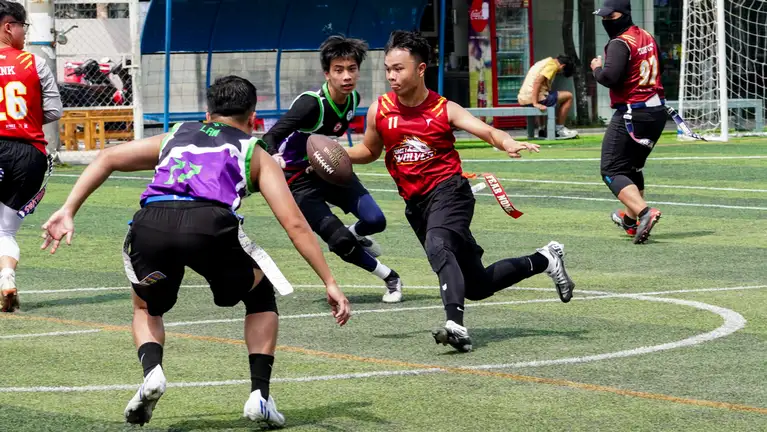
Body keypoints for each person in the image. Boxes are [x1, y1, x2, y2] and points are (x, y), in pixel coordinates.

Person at [40, 76, 351, 428]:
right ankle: (259, 395)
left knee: (146, 306)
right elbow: (294, 223)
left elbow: (108, 157)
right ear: (252, 119)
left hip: (152, 223)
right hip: (209, 225)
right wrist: (329, 281)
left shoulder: (177, 134)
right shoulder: (254, 151)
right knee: (260, 294)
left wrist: (68, 210)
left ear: (207, 113)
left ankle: (152, 373)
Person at [346, 30, 575, 353]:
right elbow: (369, 151)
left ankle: (456, 326)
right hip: (417, 206)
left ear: (420, 69)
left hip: (450, 192)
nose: (391, 76)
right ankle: (545, 259)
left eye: (398, 69)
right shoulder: (379, 110)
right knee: (477, 286)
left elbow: (486, 131)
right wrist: (334, 154)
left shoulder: (444, 109)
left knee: (438, 244)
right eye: (388, 69)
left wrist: (507, 141)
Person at [263, 35, 404, 303]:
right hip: (298, 181)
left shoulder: (352, 100)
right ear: (326, 73)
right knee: (339, 242)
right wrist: (275, 158)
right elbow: (270, 137)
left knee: (376, 220)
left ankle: (354, 233)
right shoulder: (311, 104)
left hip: (327, 169)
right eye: (338, 70)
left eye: (352, 69)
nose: (346, 76)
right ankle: (391, 278)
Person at [0, 0, 62, 312]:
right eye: (23, 26)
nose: (25, 33)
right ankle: (6, 277)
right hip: (30, 154)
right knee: (5, 229)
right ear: (8, 26)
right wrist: (24, 119)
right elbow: (54, 110)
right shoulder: (35, 62)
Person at [591, 0, 666, 244]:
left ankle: (645, 212)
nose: (605, 22)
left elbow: (610, 78)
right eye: (603, 17)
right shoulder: (646, 35)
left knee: (611, 170)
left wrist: (596, 68)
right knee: (633, 169)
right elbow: (661, 66)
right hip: (656, 112)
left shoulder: (619, 43)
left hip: (632, 113)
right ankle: (631, 222)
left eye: (609, 17)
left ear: (623, 15)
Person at [517, 54, 578, 139]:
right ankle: (559, 129)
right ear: (562, 66)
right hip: (533, 98)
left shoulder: (543, 62)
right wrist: (535, 103)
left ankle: (542, 130)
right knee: (569, 96)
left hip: (523, 98)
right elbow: (537, 82)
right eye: (561, 71)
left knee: (547, 97)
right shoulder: (553, 65)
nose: (558, 73)